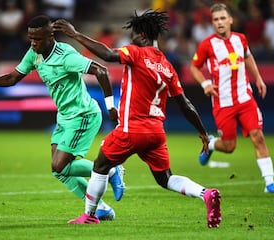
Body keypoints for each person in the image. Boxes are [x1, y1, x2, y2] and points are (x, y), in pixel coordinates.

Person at [53, 10, 222, 228]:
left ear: (142, 36)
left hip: (131, 128)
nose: (131, 39)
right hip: (156, 132)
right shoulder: (167, 67)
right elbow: (185, 104)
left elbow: (107, 55)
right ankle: (205, 193)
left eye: (133, 35)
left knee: (101, 165)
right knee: (166, 179)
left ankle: (90, 214)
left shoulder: (137, 53)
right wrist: (202, 132)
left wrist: (75, 35)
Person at [0, 15, 125, 220]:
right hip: (64, 117)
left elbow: (102, 71)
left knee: (58, 165)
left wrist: (110, 107)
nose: (33, 43)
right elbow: (12, 78)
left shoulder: (66, 55)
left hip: (83, 115)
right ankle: (102, 207)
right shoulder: (34, 54)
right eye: (31, 38)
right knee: (59, 171)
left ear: (50, 36)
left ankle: (111, 169)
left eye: (38, 39)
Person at [189, 3, 274, 194]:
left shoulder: (240, 39)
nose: (220, 22)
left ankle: (270, 183)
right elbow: (193, 67)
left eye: (223, 18)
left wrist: (258, 77)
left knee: (258, 136)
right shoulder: (207, 45)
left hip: (245, 98)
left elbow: (248, 57)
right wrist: (205, 84)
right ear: (213, 23)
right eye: (216, 20)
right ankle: (211, 143)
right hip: (222, 102)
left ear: (231, 19)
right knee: (229, 146)